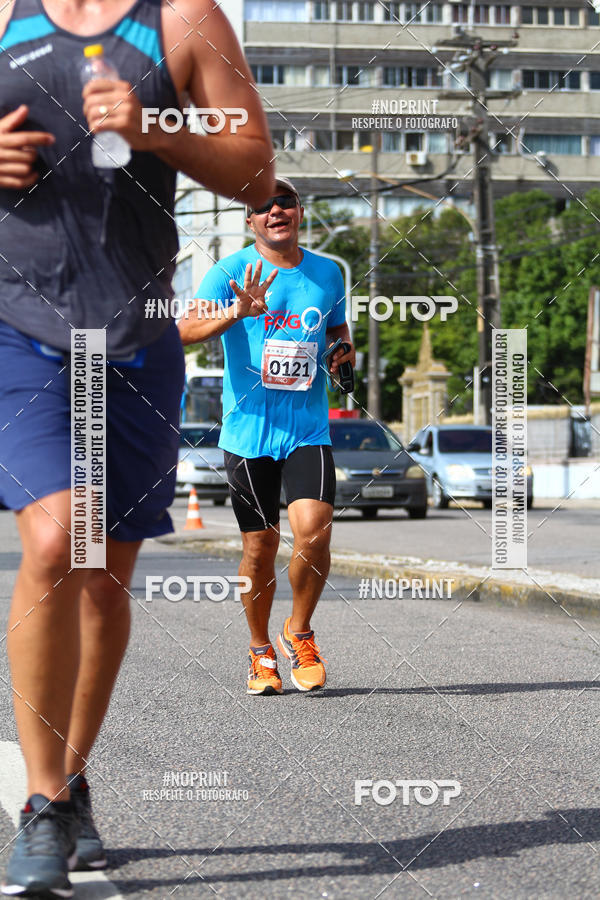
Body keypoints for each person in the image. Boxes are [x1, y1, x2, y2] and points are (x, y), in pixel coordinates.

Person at [0, 0, 274, 894]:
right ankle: (43, 806)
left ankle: (70, 778)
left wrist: (158, 131)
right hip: (18, 325)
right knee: (56, 537)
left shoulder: (186, 18)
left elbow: (256, 170)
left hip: (134, 335)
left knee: (104, 576)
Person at [178, 176, 355, 696]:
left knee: (315, 530)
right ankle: (259, 651)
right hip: (249, 431)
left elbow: (335, 328)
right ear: (250, 221)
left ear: (300, 213)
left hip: (307, 426)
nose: (276, 211)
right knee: (260, 546)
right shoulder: (230, 271)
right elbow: (185, 331)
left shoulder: (326, 273)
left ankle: (298, 631)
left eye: (286, 203)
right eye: (263, 207)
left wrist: (342, 351)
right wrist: (238, 311)